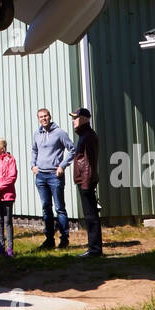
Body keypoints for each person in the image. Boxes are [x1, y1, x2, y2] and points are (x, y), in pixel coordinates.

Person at [30, 108, 74, 249]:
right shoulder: (37, 133)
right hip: (41, 176)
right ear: (38, 119)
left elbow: (72, 149)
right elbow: (34, 150)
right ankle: (49, 240)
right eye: (41, 117)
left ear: (50, 116)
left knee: (59, 208)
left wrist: (62, 166)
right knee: (46, 208)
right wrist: (33, 165)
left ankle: (64, 239)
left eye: (45, 116)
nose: (43, 119)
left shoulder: (59, 133)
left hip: (55, 176)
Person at [71, 107, 103, 257]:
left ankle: (95, 249)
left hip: (86, 181)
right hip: (84, 181)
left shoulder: (88, 136)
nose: (73, 121)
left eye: (75, 118)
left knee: (91, 216)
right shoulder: (84, 135)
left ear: (84, 119)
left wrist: (85, 183)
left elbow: (89, 162)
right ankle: (93, 248)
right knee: (89, 215)